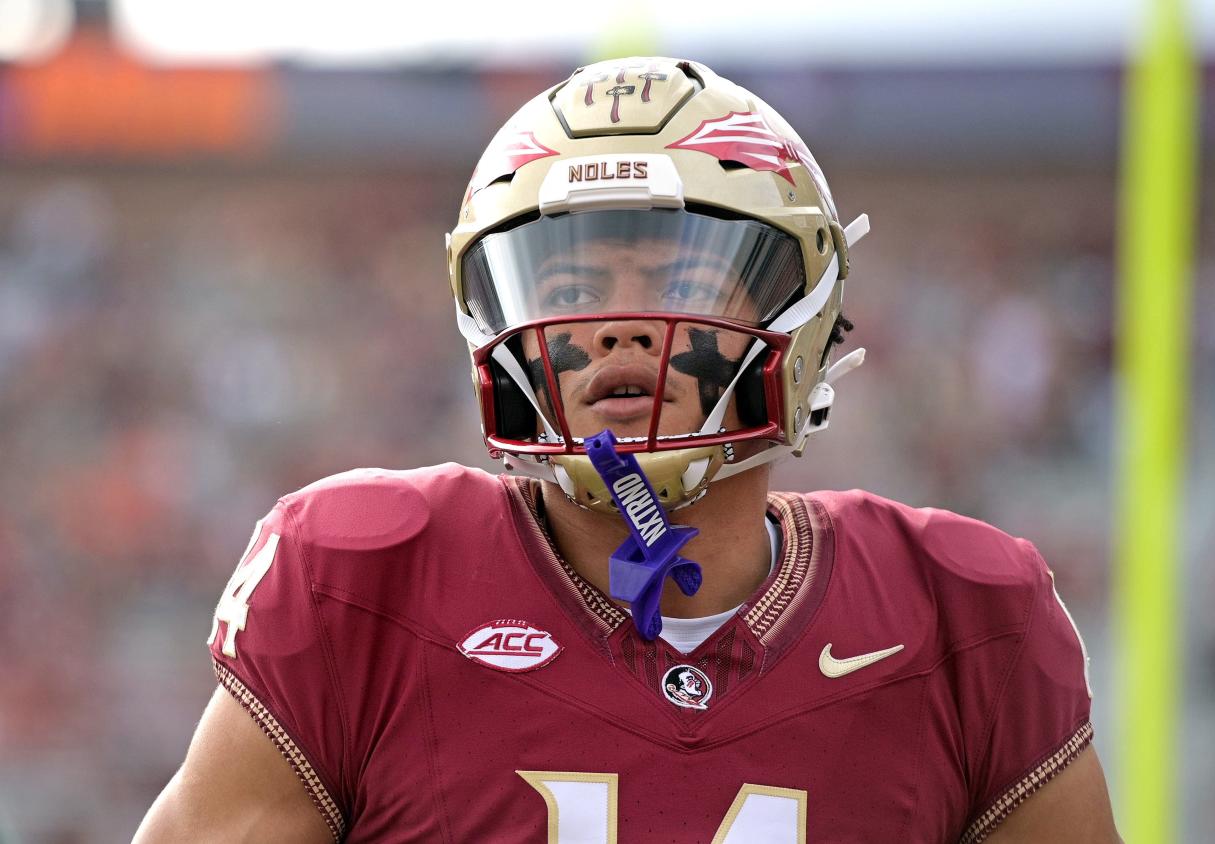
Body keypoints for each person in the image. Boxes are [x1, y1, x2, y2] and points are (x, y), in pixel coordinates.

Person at [135, 57, 1120, 842]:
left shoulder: (963, 618)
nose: (615, 326)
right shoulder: (361, 579)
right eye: (566, 285)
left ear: (800, 307)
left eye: (680, 274)